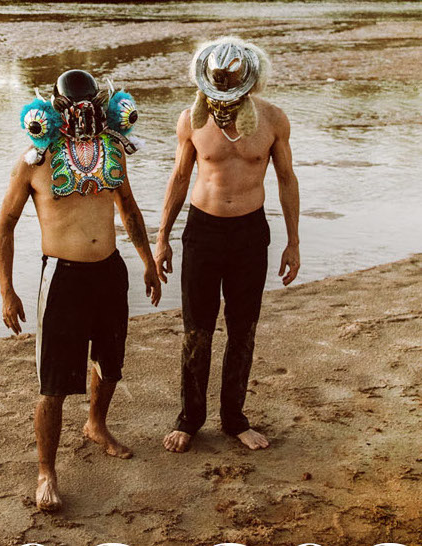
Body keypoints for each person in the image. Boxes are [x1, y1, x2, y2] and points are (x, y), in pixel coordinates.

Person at [0, 69, 161, 511]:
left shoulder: (112, 151)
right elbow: (6, 225)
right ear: (57, 109)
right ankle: (46, 472)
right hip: (62, 277)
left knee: (110, 362)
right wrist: (7, 290)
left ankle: (96, 425)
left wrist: (147, 262)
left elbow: (129, 208)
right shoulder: (34, 161)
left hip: (110, 271)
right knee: (52, 383)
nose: (84, 115)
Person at [155, 37, 300, 453]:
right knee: (196, 330)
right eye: (218, 81)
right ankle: (190, 419)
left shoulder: (273, 119)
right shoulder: (191, 119)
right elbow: (179, 178)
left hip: (249, 234)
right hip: (203, 231)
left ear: (250, 78)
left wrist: (293, 241)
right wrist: (162, 238)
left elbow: (286, 179)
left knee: (243, 329)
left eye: (232, 81)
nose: (225, 88)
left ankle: (235, 419)